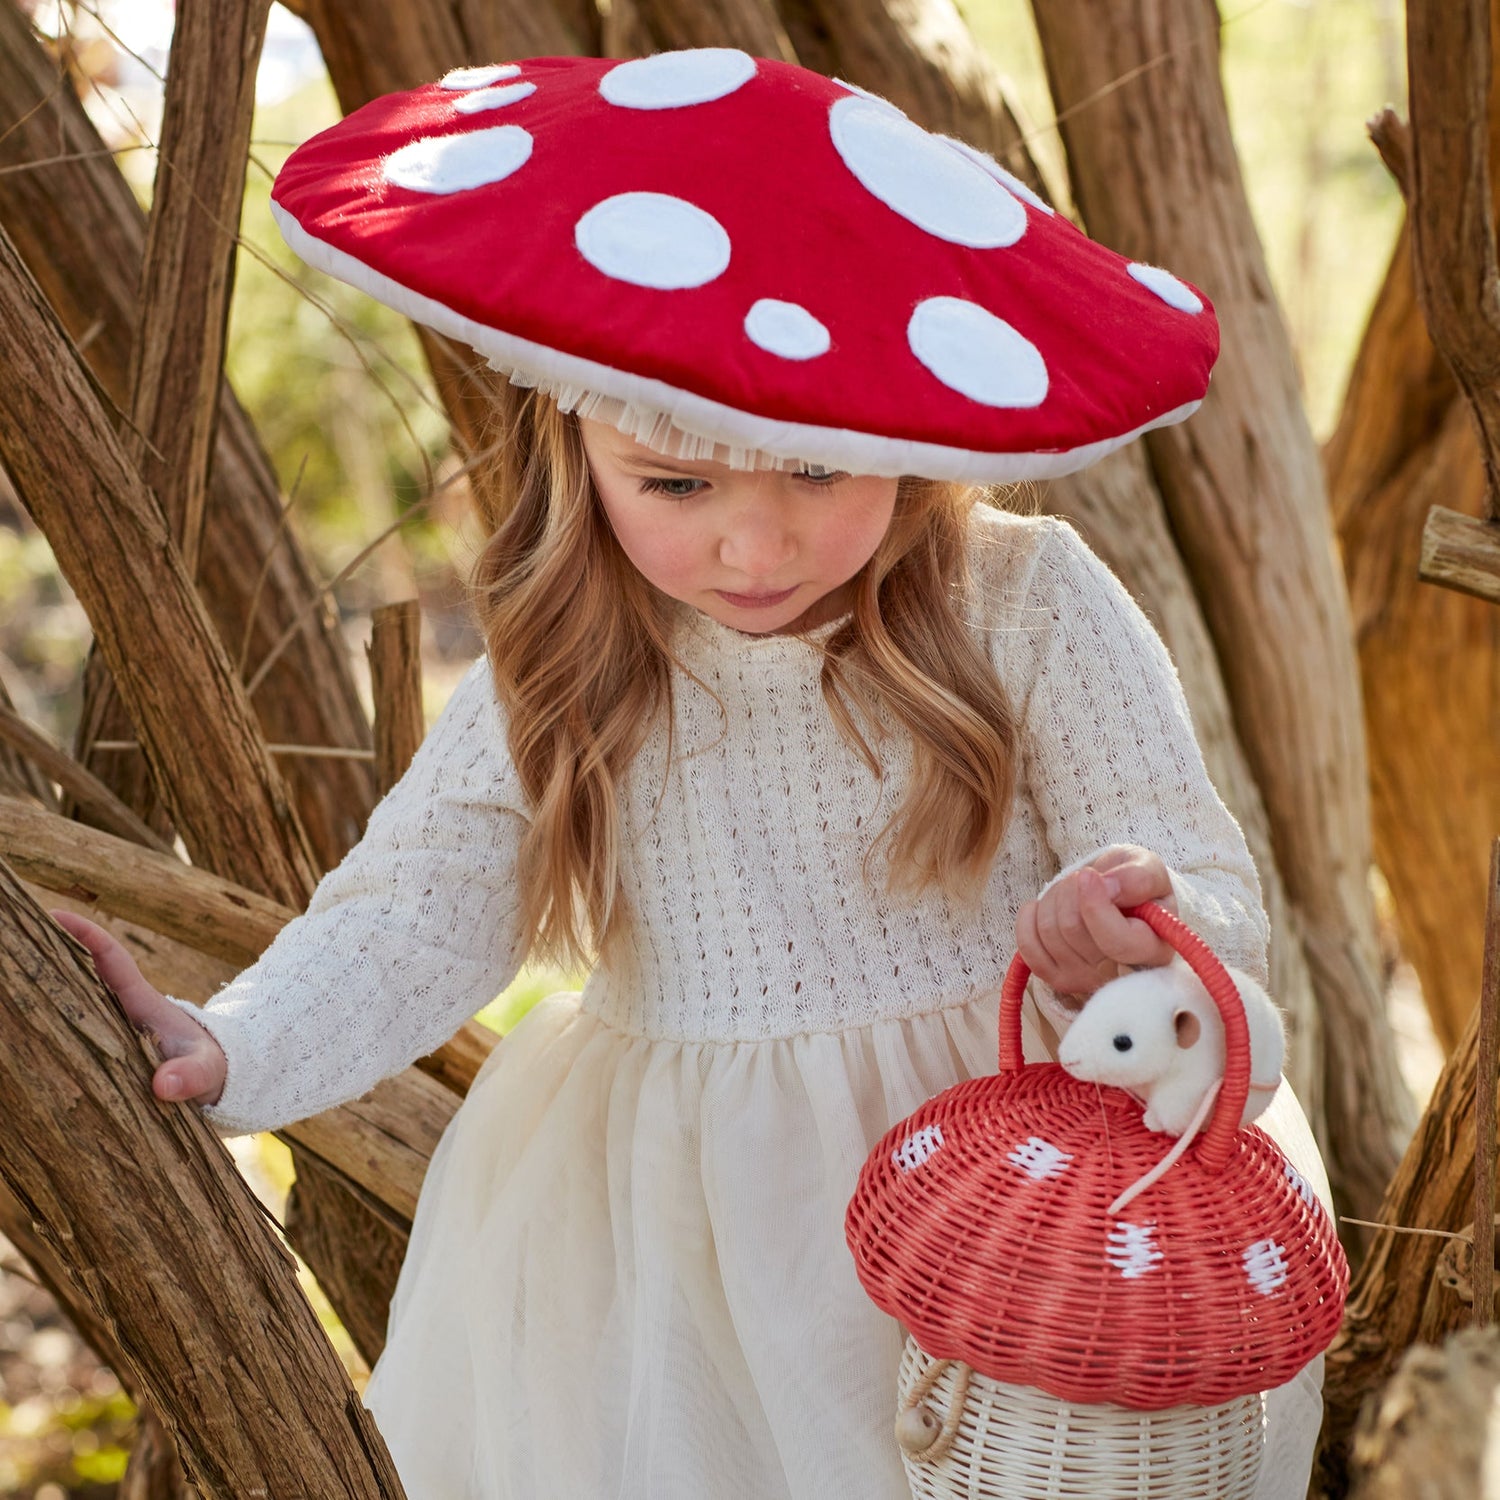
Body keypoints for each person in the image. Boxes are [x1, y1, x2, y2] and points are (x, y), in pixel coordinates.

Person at [54, 49, 1331, 1500]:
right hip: (679, 1244)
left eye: (817, 472)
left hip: (1007, 1196)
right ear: (571, 431)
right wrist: (236, 1045)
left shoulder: (1022, 603)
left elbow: (1196, 877)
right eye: (677, 483)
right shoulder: (572, 654)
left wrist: (1139, 939)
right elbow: (419, 908)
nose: (752, 548)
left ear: (911, 437)